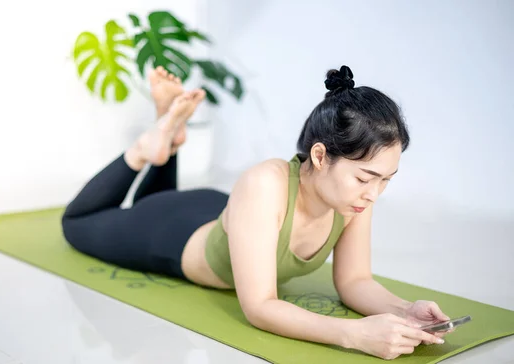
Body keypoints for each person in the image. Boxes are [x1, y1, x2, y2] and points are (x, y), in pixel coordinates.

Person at [61, 65, 453, 360]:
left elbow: (354, 281)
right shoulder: (265, 183)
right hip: (174, 234)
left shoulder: (352, 198)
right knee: (77, 224)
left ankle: (170, 134)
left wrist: (406, 311)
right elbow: (260, 306)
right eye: (366, 177)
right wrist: (353, 335)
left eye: (386, 180)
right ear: (320, 156)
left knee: (158, 200)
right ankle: (147, 147)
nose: (374, 193)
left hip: (234, 216)